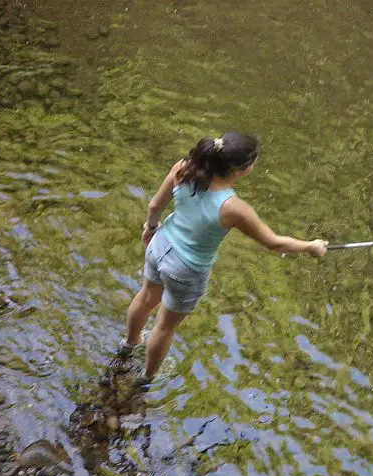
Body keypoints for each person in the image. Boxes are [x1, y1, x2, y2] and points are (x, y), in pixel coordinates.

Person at [118, 131, 327, 384]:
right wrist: (312, 246)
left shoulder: (184, 168)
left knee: (146, 297)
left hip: (159, 245)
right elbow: (274, 243)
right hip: (186, 269)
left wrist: (150, 228)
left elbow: (154, 206)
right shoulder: (233, 207)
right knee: (164, 327)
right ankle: (146, 378)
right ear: (246, 168)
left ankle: (128, 345)